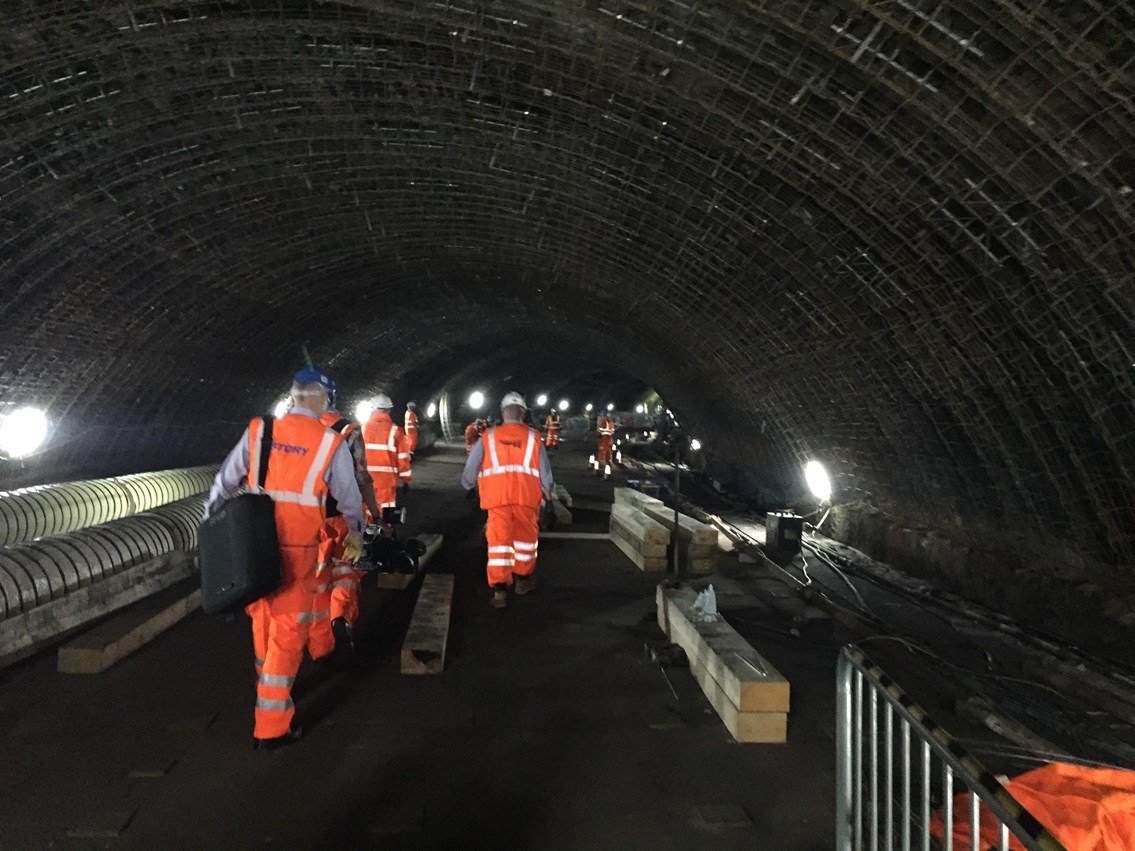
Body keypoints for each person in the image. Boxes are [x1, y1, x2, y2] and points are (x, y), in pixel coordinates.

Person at [203, 367, 365, 750]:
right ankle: (271, 726)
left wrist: (212, 526)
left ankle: (268, 693)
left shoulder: (262, 431)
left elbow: (226, 481)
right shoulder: (329, 443)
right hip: (300, 552)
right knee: (289, 635)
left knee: (263, 624)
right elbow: (349, 500)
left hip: (254, 548)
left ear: (293, 396)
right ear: (323, 400)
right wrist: (356, 534)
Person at [309, 391, 383, 664]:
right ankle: (341, 620)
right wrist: (374, 514)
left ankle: (320, 646)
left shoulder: (299, 430)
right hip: (341, 516)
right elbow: (362, 478)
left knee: (316, 580)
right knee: (346, 572)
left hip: (308, 520)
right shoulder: (349, 430)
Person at [461, 392, 554, 609]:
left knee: (499, 544)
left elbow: (471, 467)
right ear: (522, 413)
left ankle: (499, 591)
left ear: (503, 413)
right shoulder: (533, 437)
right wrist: (548, 498)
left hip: (497, 500)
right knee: (525, 543)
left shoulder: (489, 437)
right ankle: (522, 581)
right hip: (526, 499)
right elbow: (545, 472)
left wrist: (468, 486)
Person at [362, 393, 412, 510]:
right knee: (385, 511)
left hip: (364, 480)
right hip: (386, 481)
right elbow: (403, 458)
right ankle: (383, 528)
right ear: (389, 410)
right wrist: (406, 480)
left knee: (366, 509)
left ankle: (366, 528)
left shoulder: (361, 429)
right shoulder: (396, 431)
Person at [593, 411, 617, 479]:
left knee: (601, 454)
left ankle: (602, 469)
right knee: (608, 454)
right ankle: (608, 468)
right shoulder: (611, 421)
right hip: (609, 439)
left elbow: (600, 430)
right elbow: (612, 431)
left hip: (604, 439)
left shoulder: (604, 419)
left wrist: (598, 434)